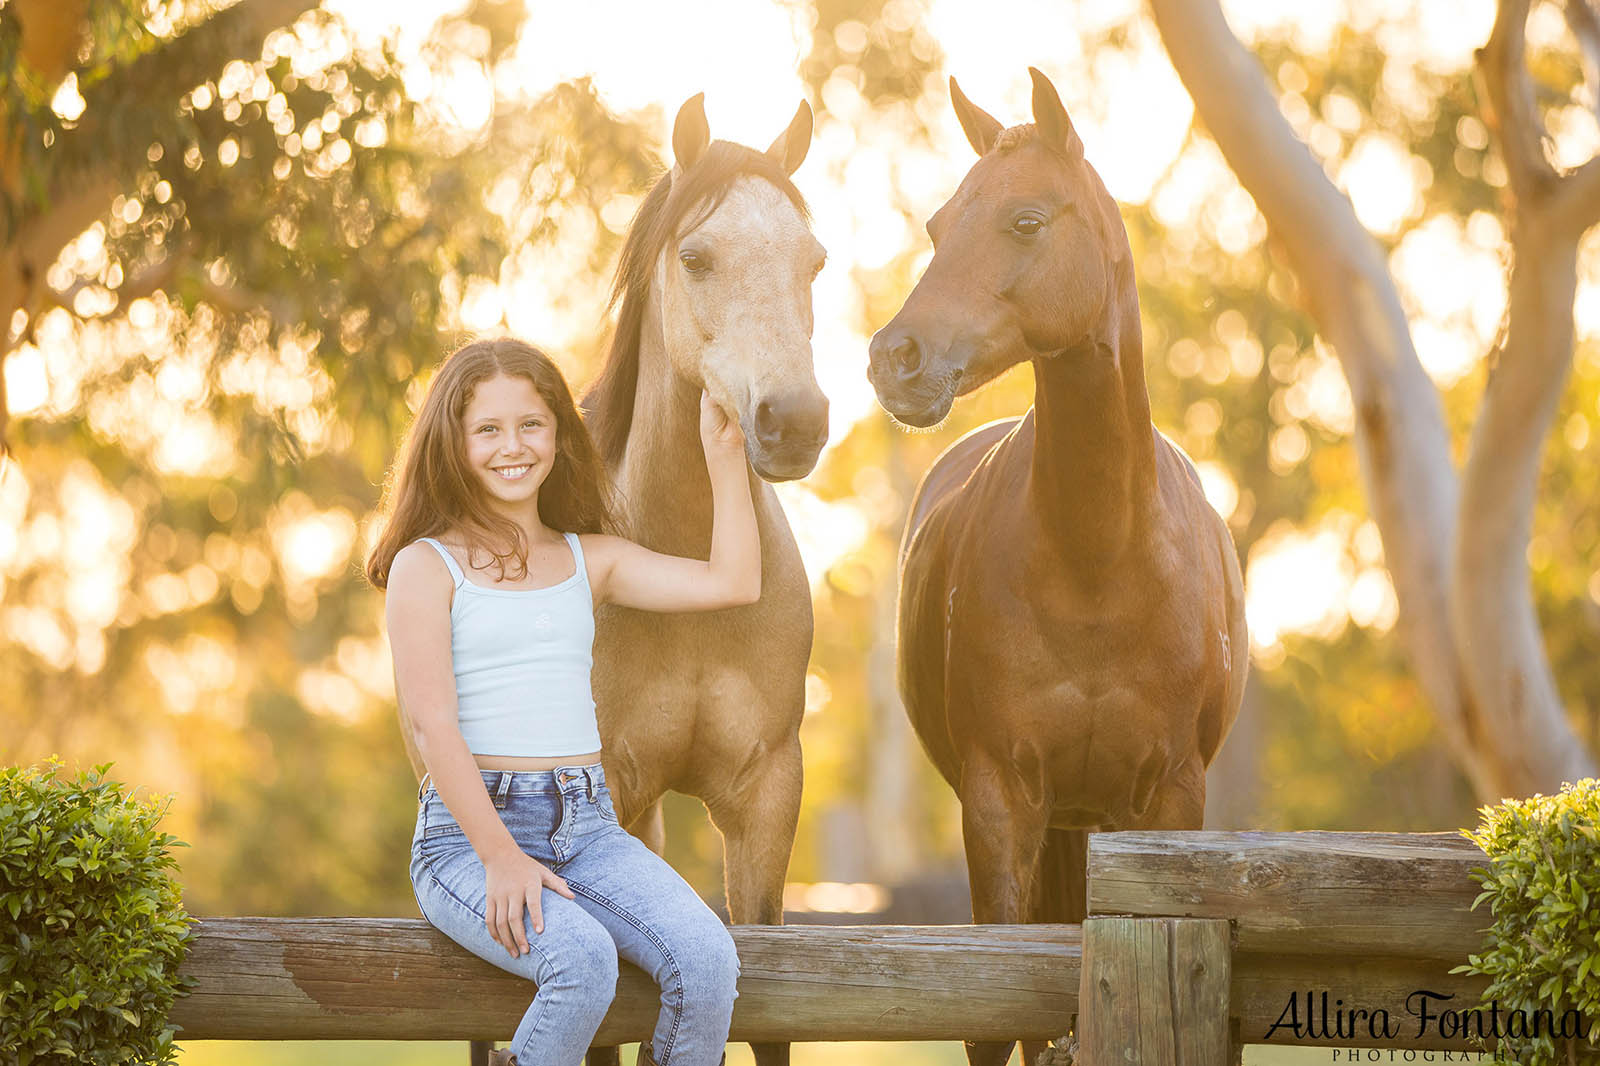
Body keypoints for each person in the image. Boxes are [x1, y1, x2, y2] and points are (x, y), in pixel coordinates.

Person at [366, 338, 756, 1066]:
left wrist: (726, 455)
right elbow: (430, 725)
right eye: (488, 429)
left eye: (531, 425)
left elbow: (732, 581)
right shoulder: (428, 565)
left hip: (590, 826)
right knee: (581, 964)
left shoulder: (590, 558)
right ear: (452, 442)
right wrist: (501, 858)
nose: (511, 446)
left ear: (559, 436)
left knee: (708, 962)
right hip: (468, 837)